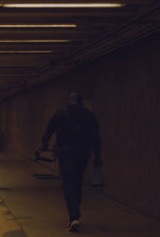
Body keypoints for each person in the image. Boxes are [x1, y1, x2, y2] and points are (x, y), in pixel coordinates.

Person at [41, 92, 102, 232]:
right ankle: (76, 212)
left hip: (65, 153)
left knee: (68, 182)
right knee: (77, 180)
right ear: (81, 102)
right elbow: (96, 137)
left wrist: (44, 145)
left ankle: (73, 216)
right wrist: (98, 157)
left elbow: (49, 130)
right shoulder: (89, 115)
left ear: (70, 101)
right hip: (82, 153)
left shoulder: (61, 113)